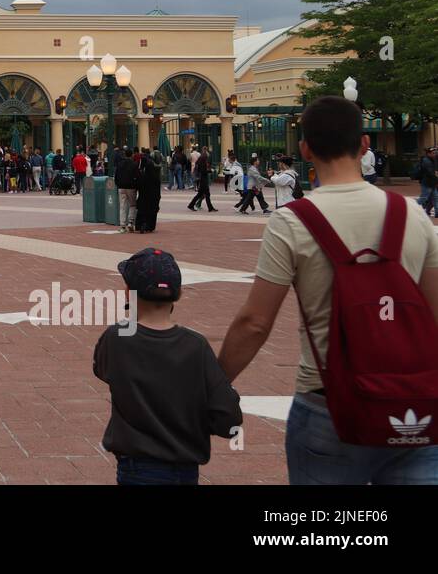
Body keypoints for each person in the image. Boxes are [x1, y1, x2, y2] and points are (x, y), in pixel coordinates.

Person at [218, 96, 438, 484]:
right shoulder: (413, 215)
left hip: (326, 402)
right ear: (365, 144)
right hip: (411, 401)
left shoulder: (292, 222)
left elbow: (255, 322)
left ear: (305, 149)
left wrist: (217, 382)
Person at [93, 247, 242, 485]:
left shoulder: (116, 339)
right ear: (179, 293)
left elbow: (102, 370)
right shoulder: (197, 346)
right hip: (185, 468)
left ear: (128, 293)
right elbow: (227, 416)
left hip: (137, 468)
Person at [134, 149, 161, 232]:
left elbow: (139, 185)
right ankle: (149, 226)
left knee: (142, 211)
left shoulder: (143, 176)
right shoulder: (156, 176)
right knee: (151, 211)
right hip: (153, 196)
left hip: (144, 196)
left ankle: (140, 224)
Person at [114, 148, 139, 232]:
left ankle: (122, 226)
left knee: (122, 206)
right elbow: (137, 176)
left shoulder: (120, 164)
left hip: (121, 187)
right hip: (131, 187)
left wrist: (118, 184)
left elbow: (116, 176)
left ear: (124, 155)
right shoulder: (134, 164)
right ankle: (130, 222)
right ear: (132, 155)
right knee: (132, 204)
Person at [187, 147, 217, 212]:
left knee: (201, 194)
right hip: (203, 179)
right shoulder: (203, 161)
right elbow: (203, 171)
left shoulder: (200, 160)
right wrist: (210, 170)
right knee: (205, 194)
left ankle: (191, 205)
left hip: (202, 179)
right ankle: (209, 208)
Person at [417, 145, 437, 217]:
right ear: (428, 153)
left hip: (432, 182)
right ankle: (411, 207)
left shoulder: (431, 160)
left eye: (435, 153)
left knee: (435, 197)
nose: (435, 154)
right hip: (427, 183)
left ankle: (437, 212)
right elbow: (431, 173)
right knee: (424, 198)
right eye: (433, 153)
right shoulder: (426, 161)